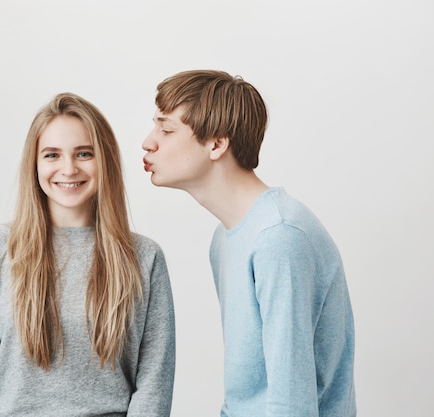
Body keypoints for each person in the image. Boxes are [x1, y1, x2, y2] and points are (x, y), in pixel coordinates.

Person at [142, 70, 356, 416]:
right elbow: (249, 390)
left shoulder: (278, 237)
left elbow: (291, 402)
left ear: (216, 143)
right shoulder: (226, 238)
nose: (148, 142)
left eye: (166, 130)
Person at [0, 92, 176, 417]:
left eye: (84, 153)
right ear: (35, 163)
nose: (68, 168)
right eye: (52, 155)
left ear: (105, 160)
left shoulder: (144, 257)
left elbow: (154, 382)